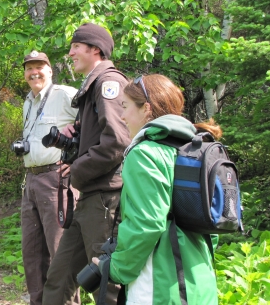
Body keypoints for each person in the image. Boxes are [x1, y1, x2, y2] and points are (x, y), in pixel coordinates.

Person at [92, 74, 219, 304]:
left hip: (159, 286)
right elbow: (213, 223)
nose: (122, 116)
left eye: (126, 106)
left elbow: (146, 224)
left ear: (146, 109)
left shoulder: (145, 154)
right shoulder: (196, 151)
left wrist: (116, 269)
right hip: (200, 282)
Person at [42, 23, 131, 305]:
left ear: (95, 49)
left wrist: (78, 168)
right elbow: (101, 134)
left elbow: (117, 141)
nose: (70, 53)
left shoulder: (109, 83)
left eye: (76, 47)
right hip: (90, 199)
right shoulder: (93, 84)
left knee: (107, 285)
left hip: (105, 199)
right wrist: (78, 132)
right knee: (59, 278)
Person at [18, 51, 79, 305]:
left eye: (39, 67)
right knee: (32, 255)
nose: (34, 72)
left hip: (57, 180)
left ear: (50, 69)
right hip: (31, 182)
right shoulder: (28, 102)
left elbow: (97, 124)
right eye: (29, 68)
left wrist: (78, 162)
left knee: (60, 253)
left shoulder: (66, 94)